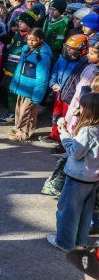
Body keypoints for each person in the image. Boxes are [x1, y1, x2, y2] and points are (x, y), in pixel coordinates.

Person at [47, 93, 99, 252]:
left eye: (81, 107)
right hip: (93, 178)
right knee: (85, 212)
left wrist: (64, 134)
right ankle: (79, 241)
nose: (79, 109)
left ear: (88, 110)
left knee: (68, 211)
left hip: (78, 177)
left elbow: (75, 152)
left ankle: (64, 242)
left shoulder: (89, 131)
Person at [9, 28, 52, 141]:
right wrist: (15, 84)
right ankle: (18, 128)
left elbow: (42, 77)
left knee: (27, 111)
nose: (30, 42)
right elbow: (19, 68)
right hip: (22, 86)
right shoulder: (26, 49)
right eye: (28, 39)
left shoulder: (43, 55)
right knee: (19, 109)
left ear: (41, 39)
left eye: (33, 40)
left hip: (32, 89)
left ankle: (25, 132)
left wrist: (37, 95)